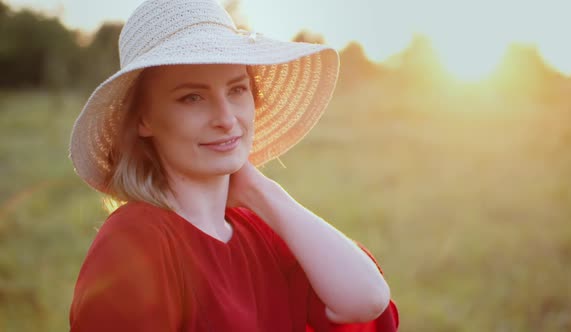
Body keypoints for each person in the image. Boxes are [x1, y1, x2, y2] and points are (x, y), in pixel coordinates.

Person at [68, 0, 399, 331]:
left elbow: (366, 300)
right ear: (143, 119)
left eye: (237, 89)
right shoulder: (137, 241)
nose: (226, 119)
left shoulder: (261, 232)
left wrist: (262, 191)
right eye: (192, 97)